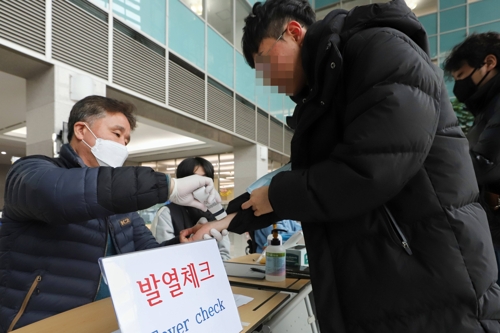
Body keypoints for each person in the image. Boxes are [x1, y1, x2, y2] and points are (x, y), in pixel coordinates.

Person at [185, 0, 500, 331]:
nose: (268, 81)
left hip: (430, 281)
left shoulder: (381, 51)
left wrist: (277, 195)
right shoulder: (323, 94)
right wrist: (220, 222)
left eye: (266, 64)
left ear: (293, 32)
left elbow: (369, 170)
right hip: (386, 281)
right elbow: (310, 182)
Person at [0, 96, 221, 332]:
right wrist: (168, 186)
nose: (122, 146)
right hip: (40, 321)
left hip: (109, 319)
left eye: (126, 140)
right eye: (117, 134)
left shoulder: (121, 205)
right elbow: (57, 193)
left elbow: (147, 254)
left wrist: (183, 244)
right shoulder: (30, 171)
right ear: (82, 130)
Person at [443, 32, 500, 283]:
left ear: (489, 62)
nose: (458, 86)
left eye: (462, 76)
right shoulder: (487, 105)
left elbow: (485, 165)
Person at [151, 157, 231, 260]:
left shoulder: (215, 211)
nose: (200, 184)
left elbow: (224, 254)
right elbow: (162, 254)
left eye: (204, 179)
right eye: (194, 179)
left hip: (210, 271)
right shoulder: (167, 212)